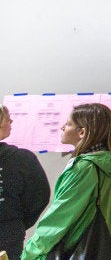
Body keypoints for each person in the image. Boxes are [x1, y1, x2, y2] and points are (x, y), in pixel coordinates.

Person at [22, 103, 111, 260]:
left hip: (73, 249)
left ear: (82, 132)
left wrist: (31, 251)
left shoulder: (83, 167)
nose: (62, 127)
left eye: (68, 124)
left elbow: (59, 216)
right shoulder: (106, 164)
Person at [0, 105, 50, 260]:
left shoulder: (21, 158)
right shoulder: (22, 159)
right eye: (8, 118)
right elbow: (39, 197)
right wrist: (17, 222)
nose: (11, 121)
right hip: (8, 233)